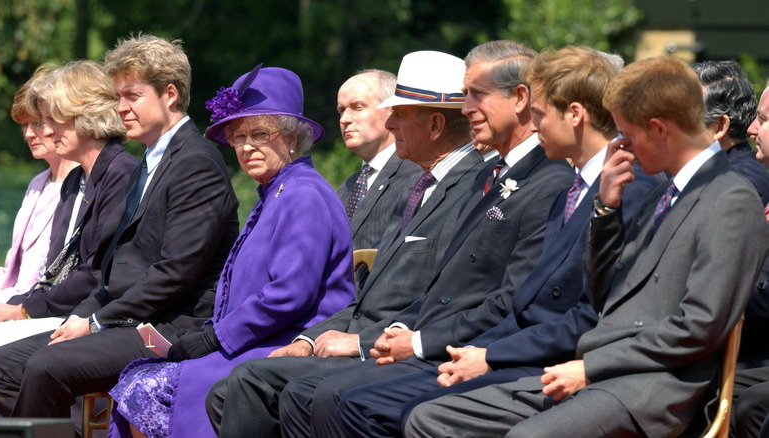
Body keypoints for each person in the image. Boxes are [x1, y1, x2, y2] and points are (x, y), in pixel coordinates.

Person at [404, 56, 768, 438]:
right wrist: (606, 209)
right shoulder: (665, 191)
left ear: (659, 129)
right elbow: (602, 292)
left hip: (653, 387)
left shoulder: (730, 198)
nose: (619, 146)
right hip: (598, 366)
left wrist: (592, 367)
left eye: (627, 134)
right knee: (429, 419)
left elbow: (699, 328)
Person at [333, 45, 657, 438]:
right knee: (343, 399)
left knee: (391, 410)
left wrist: (486, 355)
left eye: (539, 112)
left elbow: (587, 310)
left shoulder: (610, 188)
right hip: (511, 346)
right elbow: (526, 300)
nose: (534, 125)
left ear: (573, 114)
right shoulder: (574, 185)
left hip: (557, 360)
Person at [276, 40, 578, 438]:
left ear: (520, 98)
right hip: (436, 339)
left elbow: (511, 299)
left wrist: (415, 342)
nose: (466, 107)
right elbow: (444, 286)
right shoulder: (491, 178)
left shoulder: (549, 181)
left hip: (476, 349)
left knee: (340, 399)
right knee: (301, 393)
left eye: (476, 95)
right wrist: (400, 332)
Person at [205, 50, 488, 438]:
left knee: (263, 384)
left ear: (436, 123)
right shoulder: (422, 185)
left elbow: (446, 297)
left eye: (399, 114)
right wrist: (308, 340)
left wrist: (361, 341)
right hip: (355, 333)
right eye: (238, 137)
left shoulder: (470, 187)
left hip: (402, 344)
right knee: (232, 388)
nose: (390, 122)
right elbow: (370, 295)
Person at [0, 34, 238, 419]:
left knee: (45, 367)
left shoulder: (196, 163)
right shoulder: (149, 162)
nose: (120, 108)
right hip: (127, 318)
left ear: (169, 94)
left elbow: (174, 273)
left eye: (132, 96)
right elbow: (112, 272)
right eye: (117, 97)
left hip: (170, 329)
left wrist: (94, 321)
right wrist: (83, 315)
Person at [107, 65, 355, 438]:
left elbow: (290, 293)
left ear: (292, 136)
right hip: (254, 340)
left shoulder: (303, 193)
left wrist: (215, 338)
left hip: (288, 344)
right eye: (238, 137)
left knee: (146, 387)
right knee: (139, 377)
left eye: (260, 133)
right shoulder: (275, 191)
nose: (247, 146)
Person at [0, 60, 138, 350]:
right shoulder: (76, 180)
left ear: (85, 116)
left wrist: (21, 310)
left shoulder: (122, 175)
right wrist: (17, 307)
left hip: (96, 318)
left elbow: (93, 275)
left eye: (51, 119)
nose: (45, 130)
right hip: (62, 311)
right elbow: (55, 273)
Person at [0, 64, 78, 306]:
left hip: (37, 307)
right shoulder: (38, 183)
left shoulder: (82, 186)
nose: (28, 134)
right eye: (24, 125)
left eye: (37, 123)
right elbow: (11, 268)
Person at [336, 69, 421, 249]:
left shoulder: (418, 176)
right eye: (341, 110)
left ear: (392, 110)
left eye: (358, 107)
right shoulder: (345, 189)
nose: (345, 119)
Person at [731, 79, 769, 438]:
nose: (752, 129)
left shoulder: (745, 181)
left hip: (758, 352)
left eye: (763, 119)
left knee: (750, 404)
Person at [692, 60, 769, 204]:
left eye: (682, 115)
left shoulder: (738, 184)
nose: (667, 124)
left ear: (720, 126)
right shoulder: (707, 172)